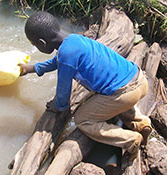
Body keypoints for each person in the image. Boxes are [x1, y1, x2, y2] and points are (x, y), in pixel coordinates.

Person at [19, 11, 152, 161]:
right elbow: (58, 61)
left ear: (42, 43)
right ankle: (142, 124)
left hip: (123, 94)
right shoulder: (74, 39)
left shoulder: (66, 54)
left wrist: (59, 106)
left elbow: (63, 90)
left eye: (35, 44)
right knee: (116, 95)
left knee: (82, 119)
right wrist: (31, 68)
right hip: (138, 79)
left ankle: (130, 140)